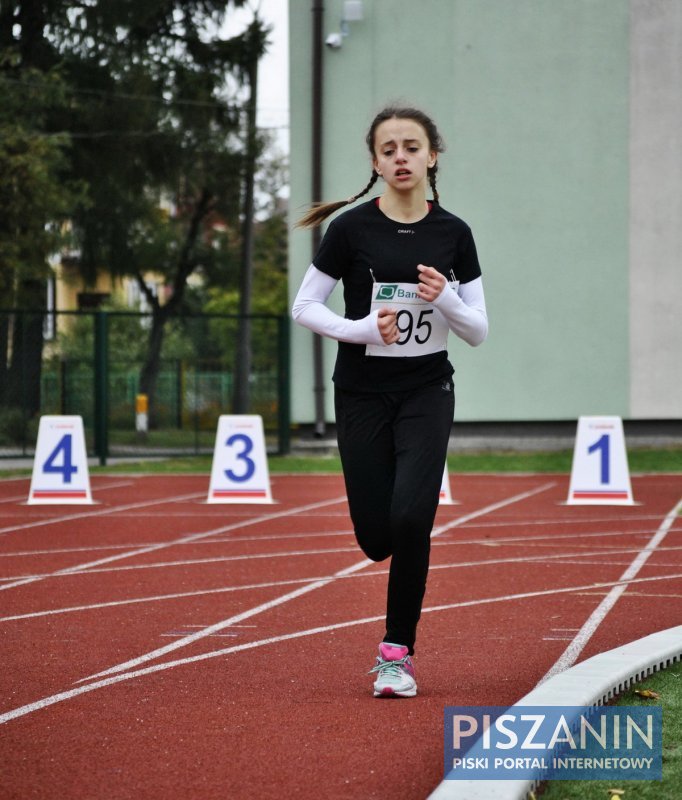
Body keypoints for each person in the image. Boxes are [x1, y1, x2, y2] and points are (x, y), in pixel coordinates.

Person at [291, 106, 488, 698]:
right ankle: (387, 551)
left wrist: (448, 298)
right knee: (378, 535)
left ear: (433, 156)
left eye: (411, 147)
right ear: (375, 163)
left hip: (429, 390)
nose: (400, 157)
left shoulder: (455, 233)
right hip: (361, 394)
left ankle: (396, 654)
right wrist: (364, 331)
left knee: (412, 518)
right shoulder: (351, 229)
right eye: (388, 149)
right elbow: (305, 307)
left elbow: (477, 329)